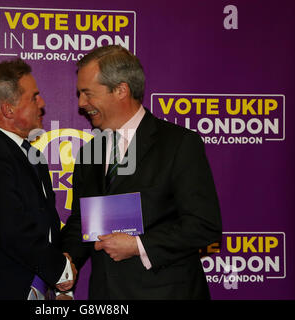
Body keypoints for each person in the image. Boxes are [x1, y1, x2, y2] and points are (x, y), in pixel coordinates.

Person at [61, 45, 222, 299]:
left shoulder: (178, 144)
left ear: (121, 90)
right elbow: (82, 220)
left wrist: (138, 245)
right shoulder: (89, 152)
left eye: (87, 93)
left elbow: (203, 226)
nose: (82, 103)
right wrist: (66, 261)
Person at [0, 59, 76, 300]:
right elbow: (12, 227)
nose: (42, 103)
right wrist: (60, 271)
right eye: (34, 97)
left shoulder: (32, 155)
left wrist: (61, 282)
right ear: (8, 109)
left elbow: (45, 226)